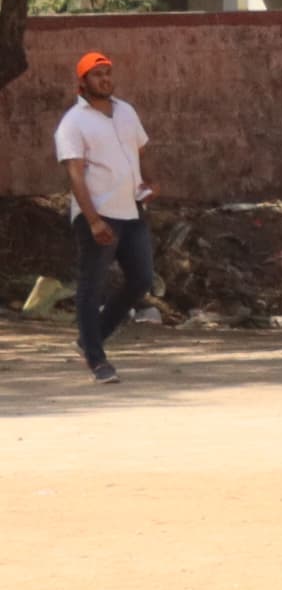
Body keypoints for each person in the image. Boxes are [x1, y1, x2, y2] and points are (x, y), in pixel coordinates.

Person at [54, 52, 155, 386]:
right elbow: (75, 175)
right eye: (97, 74)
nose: (105, 79)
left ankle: (92, 336)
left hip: (132, 210)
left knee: (141, 279)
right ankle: (97, 360)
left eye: (108, 73)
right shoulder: (73, 123)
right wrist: (94, 220)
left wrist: (146, 183)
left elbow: (138, 151)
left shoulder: (126, 111)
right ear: (82, 82)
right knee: (92, 285)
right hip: (98, 215)